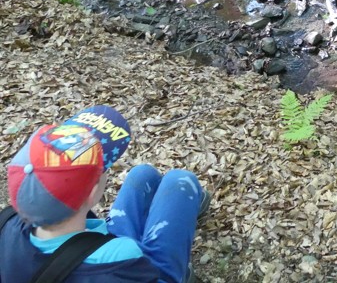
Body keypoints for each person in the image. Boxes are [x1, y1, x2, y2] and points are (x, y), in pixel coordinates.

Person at [0, 105, 210, 283]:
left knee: (142, 174)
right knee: (180, 181)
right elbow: (136, 265)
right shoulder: (123, 256)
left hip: (82, 250)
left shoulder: (8, 225)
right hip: (135, 270)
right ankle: (178, 273)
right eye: (102, 170)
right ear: (92, 193)